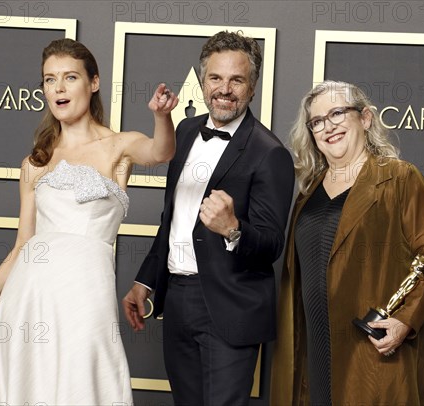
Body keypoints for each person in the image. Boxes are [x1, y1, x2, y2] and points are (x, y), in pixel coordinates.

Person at [0, 38, 178, 405]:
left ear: (93, 83)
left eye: (70, 77)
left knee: (84, 382)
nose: (58, 88)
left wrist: (161, 115)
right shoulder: (35, 163)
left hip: (86, 291)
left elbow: (161, 151)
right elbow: (23, 245)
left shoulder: (119, 147)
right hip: (29, 296)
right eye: (49, 79)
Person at [122, 31, 295, 405]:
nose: (225, 89)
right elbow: (172, 218)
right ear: (203, 82)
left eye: (237, 80)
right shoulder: (184, 131)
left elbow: (272, 243)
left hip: (230, 306)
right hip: (178, 299)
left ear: (252, 87)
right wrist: (145, 280)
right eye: (216, 78)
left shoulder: (271, 154)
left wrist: (233, 229)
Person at [270, 80, 424, 405]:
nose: (328, 127)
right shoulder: (307, 194)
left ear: (364, 118)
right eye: (317, 121)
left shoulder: (400, 179)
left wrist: (405, 321)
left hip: (372, 352)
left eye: (337, 113)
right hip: (314, 352)